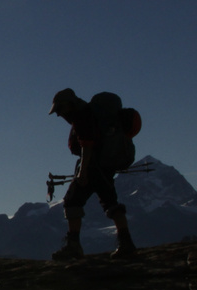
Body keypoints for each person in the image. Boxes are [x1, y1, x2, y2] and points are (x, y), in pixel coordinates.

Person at [48, 87, 137, 260]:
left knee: (72, 201)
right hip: (104, 167)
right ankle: (126, 243)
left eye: (60, 109)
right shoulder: (89, 114)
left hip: (93, 167)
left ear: (69, 105)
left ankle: (73, 247)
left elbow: (87, 145)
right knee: (110, 202)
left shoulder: (82, 116)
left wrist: (83, 172)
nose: (59, 115)